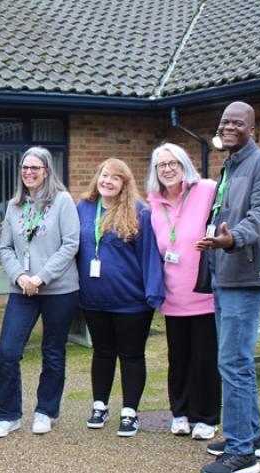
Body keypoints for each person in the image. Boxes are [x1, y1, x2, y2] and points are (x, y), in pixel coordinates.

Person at [196, 101, 260, 473]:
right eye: (224, 122)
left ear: (252, 128)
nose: (229, 127)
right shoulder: (230, 165)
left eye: (237, 122)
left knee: (234, 363)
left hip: (246, 275)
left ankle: (242, 453)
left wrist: (231, 241)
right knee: (232, 362)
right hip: (224, 274)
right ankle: (252, 435)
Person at [0, 147, 80, 438]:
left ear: (47, 171)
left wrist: (41, 277)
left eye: (35, 168)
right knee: (8, 351)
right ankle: (9, 415)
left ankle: (45, 411)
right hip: (23, 289)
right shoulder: (14, 206)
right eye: (24, 167)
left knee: (53, 351)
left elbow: (70, 244)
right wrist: (20, 276)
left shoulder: (63, 201)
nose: (29, 172)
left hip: (59, 289)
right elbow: (5, 247)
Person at [77, 158, 164, 437]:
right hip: (93, 298)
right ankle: (99, 405)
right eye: (104, 175)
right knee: (102, 353)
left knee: (131, 355)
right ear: (97, 177)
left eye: (116, 178)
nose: (108, 181)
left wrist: (153, 294)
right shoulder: (84, 208)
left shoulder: (140, 212)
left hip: (132, 301)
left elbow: (150, 255)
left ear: (125, 184)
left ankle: (130, 412)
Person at [146, 143, 220, 440]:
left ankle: (207, 417)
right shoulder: (153, 203)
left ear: (184, 164)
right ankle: (180, 413)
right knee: (179, 359)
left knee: (205, 359)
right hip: (173, 295)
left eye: (173, 163)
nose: (167, 168)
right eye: (161, 164)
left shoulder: (206, 189)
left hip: (204, 294)